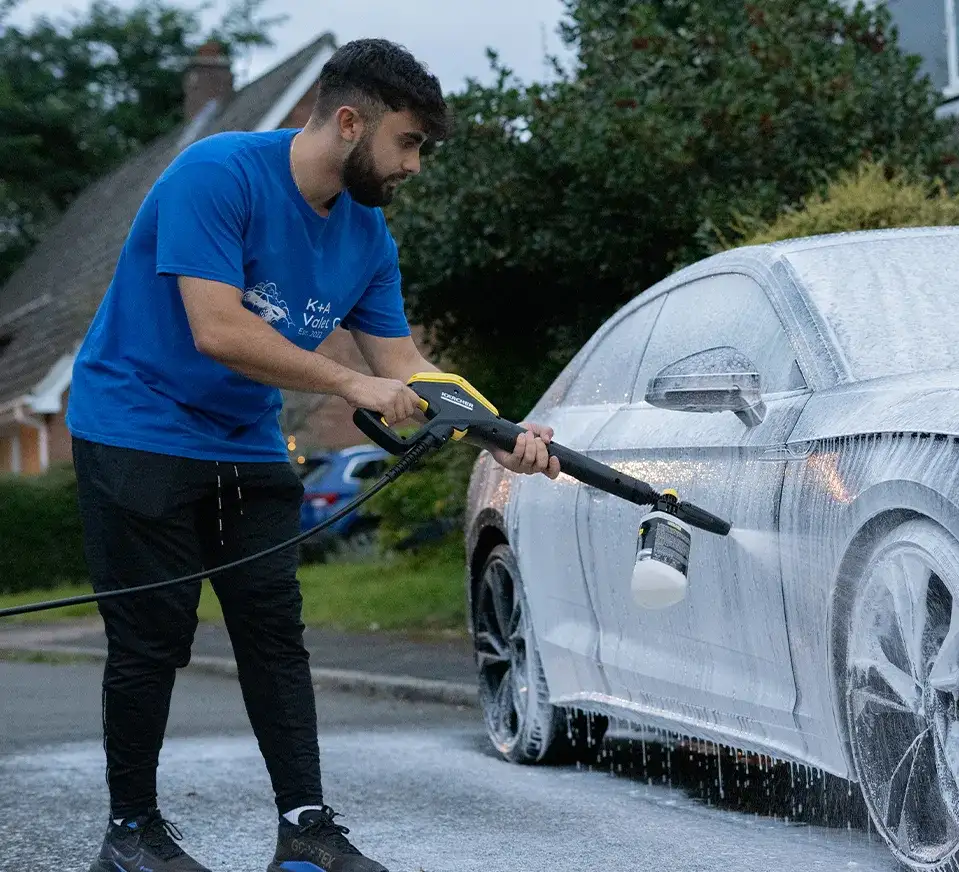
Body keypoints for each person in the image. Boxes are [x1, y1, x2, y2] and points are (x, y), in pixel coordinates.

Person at [66, 38, 561, 872]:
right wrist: (347, 384)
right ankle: (131, 834)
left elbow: (405, 367)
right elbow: (217, 328)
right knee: (153, 635)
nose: (413, 166)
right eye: (407, 143)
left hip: (243, 439)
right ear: (346, 122)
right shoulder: (215, 175)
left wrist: (503, 434)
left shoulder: (367, 236)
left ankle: (305, 829)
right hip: (135, 424)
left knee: (273, 632)